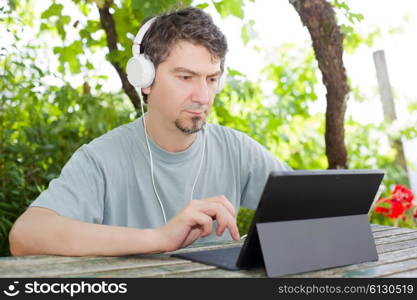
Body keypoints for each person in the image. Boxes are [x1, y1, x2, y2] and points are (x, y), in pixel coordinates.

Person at [9, 7, 290, 257]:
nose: (203, 96)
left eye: (211, 79)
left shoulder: (236, 149)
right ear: (145, 79)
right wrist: (160, 238)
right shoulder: (102, 158)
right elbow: (26, 235)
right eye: (186, 77)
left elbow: (313, 204)